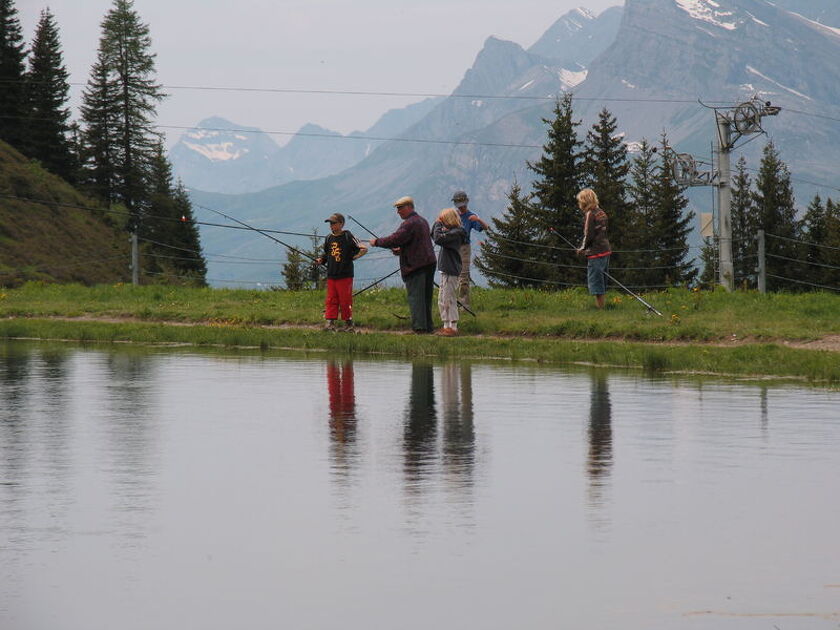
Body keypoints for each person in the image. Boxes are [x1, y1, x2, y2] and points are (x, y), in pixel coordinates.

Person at [369, 196, 437, 334]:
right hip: (428, 262)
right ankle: (428, 327)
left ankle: (419, 328)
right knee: (426, 297)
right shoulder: (422, 221)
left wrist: (377, 242)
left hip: (416, 265)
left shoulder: (409, 223)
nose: (398, 212)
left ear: (409, 207)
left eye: (400, 208)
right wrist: (401, 250)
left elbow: (396, 239)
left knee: (416, 297)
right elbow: (415, 243)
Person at [315, 212, 367, 331]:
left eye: (333, 223)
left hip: (345, 275)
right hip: (332, 274)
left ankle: (349, 324)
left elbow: (363, 248)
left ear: (341, 224)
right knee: (331, 299)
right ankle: (330, 323)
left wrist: (355, 257)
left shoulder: (348, 236)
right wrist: (321, 260)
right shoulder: (328, 238)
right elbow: (327, 254)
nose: (331, 226)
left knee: (345, 300)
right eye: (330, 223)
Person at [431, 207, 467, 336]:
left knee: (449, 299)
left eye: (443, 219)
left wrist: (438, 224)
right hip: (445, 269)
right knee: (442, 298)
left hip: (450, 269)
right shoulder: (452, 233)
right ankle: (446, 325)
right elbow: (433, 235)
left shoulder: (456, 233)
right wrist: (438, 225)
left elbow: (438, 239)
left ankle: (453, 327)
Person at [451, 190, 489, 310]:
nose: (461, 207)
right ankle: (452, 303)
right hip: (452, 247)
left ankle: (464, 304)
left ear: (466, 203)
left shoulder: (471, 216)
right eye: (459, 205)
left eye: (462, 205)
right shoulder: (453, 215)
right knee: (451, 276)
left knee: (463, 276)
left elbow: (485, 227)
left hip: (464, 248)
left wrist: (478, 220)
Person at [575, 188, 611, 309]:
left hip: (595, 252)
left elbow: (588, 234)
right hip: (605, 249)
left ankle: (600, 308)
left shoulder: (590, 214)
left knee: (596, 281)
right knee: (603, 279)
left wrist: (582, 248)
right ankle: (602, 306)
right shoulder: (600, 212)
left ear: (584, 201)